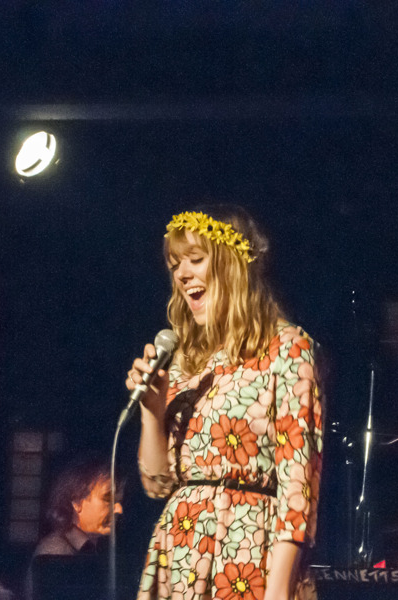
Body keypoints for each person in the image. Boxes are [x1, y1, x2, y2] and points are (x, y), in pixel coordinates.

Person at [126, 207, 323, 600]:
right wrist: (152, 411)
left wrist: (278, 589)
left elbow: (298, 484)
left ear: (232, 265)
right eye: (175, 265)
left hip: (247, 549)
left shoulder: (286, 347)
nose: (182, 274)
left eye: (195, 260)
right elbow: (157, 484)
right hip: (181, 549)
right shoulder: (183, 361)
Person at [25, 458, 122, 600]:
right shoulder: (56, 553)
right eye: (108, 499)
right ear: (77, 503)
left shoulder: (92, 547)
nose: (119, 509)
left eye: (119, 500)